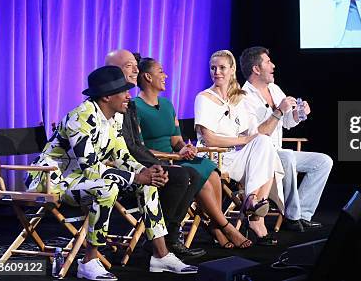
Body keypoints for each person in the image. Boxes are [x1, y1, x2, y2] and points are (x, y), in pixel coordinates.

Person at [26, 66, 197, 280]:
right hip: (52, 180)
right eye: (124, 91)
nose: (128, 96)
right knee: (106, 187)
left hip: (80, 179)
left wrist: (146, 172)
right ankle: (88, 261)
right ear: (107, 96)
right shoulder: (80, 119)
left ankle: (161, 255)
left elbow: (122, 156)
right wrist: (136, 177)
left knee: (147, 183)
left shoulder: (115, 117)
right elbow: (90, 169)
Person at [133, 55, 252, 249]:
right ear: (147, 77)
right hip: (156, 163)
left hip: (176, 159)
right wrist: (174, 156)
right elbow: (139, 147)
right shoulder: (135, 108)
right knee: (199, 179)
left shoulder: (168, 105)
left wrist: (184, 148)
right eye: (161, 72)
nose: (166, 75)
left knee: (211, 171)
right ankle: (224, 227)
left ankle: (216, 227)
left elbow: (176, 140)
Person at [104, 49, 206, 259]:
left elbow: (134, 145)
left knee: (192, 174)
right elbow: (125, 149)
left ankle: (167, 238)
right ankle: (161, 243)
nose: (136, 69)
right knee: (179, 175)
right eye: (129, 66)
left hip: (135, 163)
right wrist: (157, 165)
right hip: (113, 171)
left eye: (136, 65)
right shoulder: (111, 103)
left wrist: (160, 164)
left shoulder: (129, 104)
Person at [194, 49, 284, 245]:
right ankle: (255, 215)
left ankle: (252, 199)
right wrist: (243, 141)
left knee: (265, 142)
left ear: (232, 69)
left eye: (222, 68)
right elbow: (209, 139)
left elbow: (254, 132)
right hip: (214, 158)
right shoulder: (204, 98)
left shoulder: (239, 98)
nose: (217, 72)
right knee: (263, 149)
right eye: (213, 68)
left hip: (236, 156)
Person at [240, 46, 333, 232]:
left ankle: (304, 214)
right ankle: (292, 217)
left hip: (279, 153)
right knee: (288, 157)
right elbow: (256, 134)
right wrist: (279, 110)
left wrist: (299, 114)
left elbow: (287, 122)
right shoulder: (244, 98)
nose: (273, 65)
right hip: (259, 157)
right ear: (256, 69)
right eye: (268, 62)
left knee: (323, 161)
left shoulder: (274, 89)